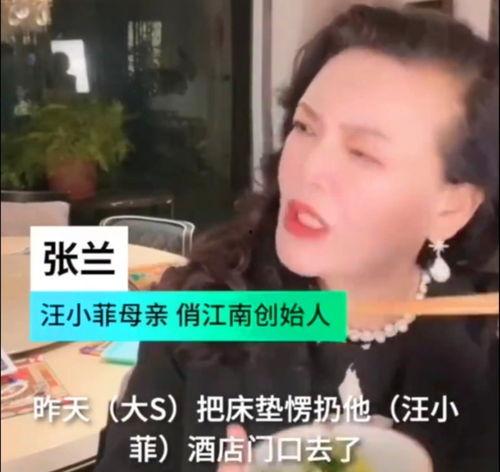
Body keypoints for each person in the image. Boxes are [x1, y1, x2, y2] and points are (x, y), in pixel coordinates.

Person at [94, 5, 498, 472]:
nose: (309, 168)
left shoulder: (482, 348)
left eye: (363, 153)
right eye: (305, 127)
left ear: (451, 206)